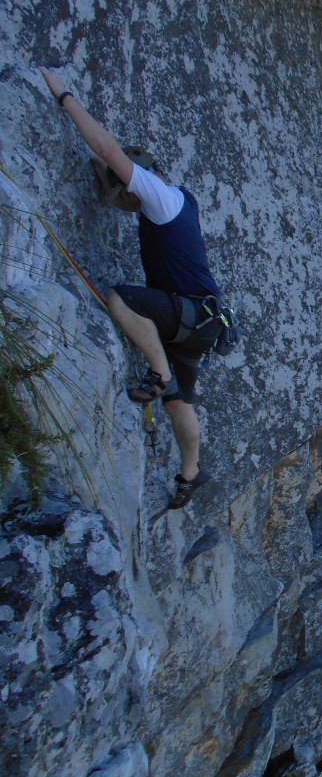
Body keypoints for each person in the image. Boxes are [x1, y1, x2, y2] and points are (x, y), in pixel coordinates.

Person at [39, 67, 223, 510]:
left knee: (118, 297)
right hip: (201, 321)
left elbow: (103, 146)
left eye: (119, 193)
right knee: (178, 403)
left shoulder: (158, 196)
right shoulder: (178, 198)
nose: (119, 204)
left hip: (188, 314)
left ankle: (157, 371)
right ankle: (190, 474)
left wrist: (62, 93)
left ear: (133, 182)